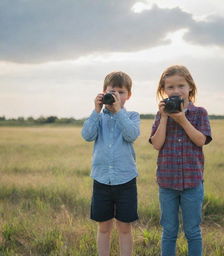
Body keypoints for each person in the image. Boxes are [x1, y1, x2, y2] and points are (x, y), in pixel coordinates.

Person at [149, 65, 212, 256]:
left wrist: (183, 120)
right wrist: (165, 117)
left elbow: (201, 140)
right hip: (167, 183)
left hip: (192, 182)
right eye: (170, 87)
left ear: (190, 87)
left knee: (192, 230)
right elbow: (157, 144)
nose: (176, 91)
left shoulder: (199, 113)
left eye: (181, 86)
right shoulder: (161, 115)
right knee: (169, 231)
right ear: (163, 91)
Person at [81, 71, 140, 256]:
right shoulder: (98, 117)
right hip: (101, 180)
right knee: (104, 227)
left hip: (125, 180)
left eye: (121, 92)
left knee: (124, 228)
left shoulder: (132, 116)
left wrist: (118, 111)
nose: (116, 96)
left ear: (128, 95)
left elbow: (131, 135)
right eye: (112, 91)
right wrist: (96, 110)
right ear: (103, 92)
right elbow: (87, 135)